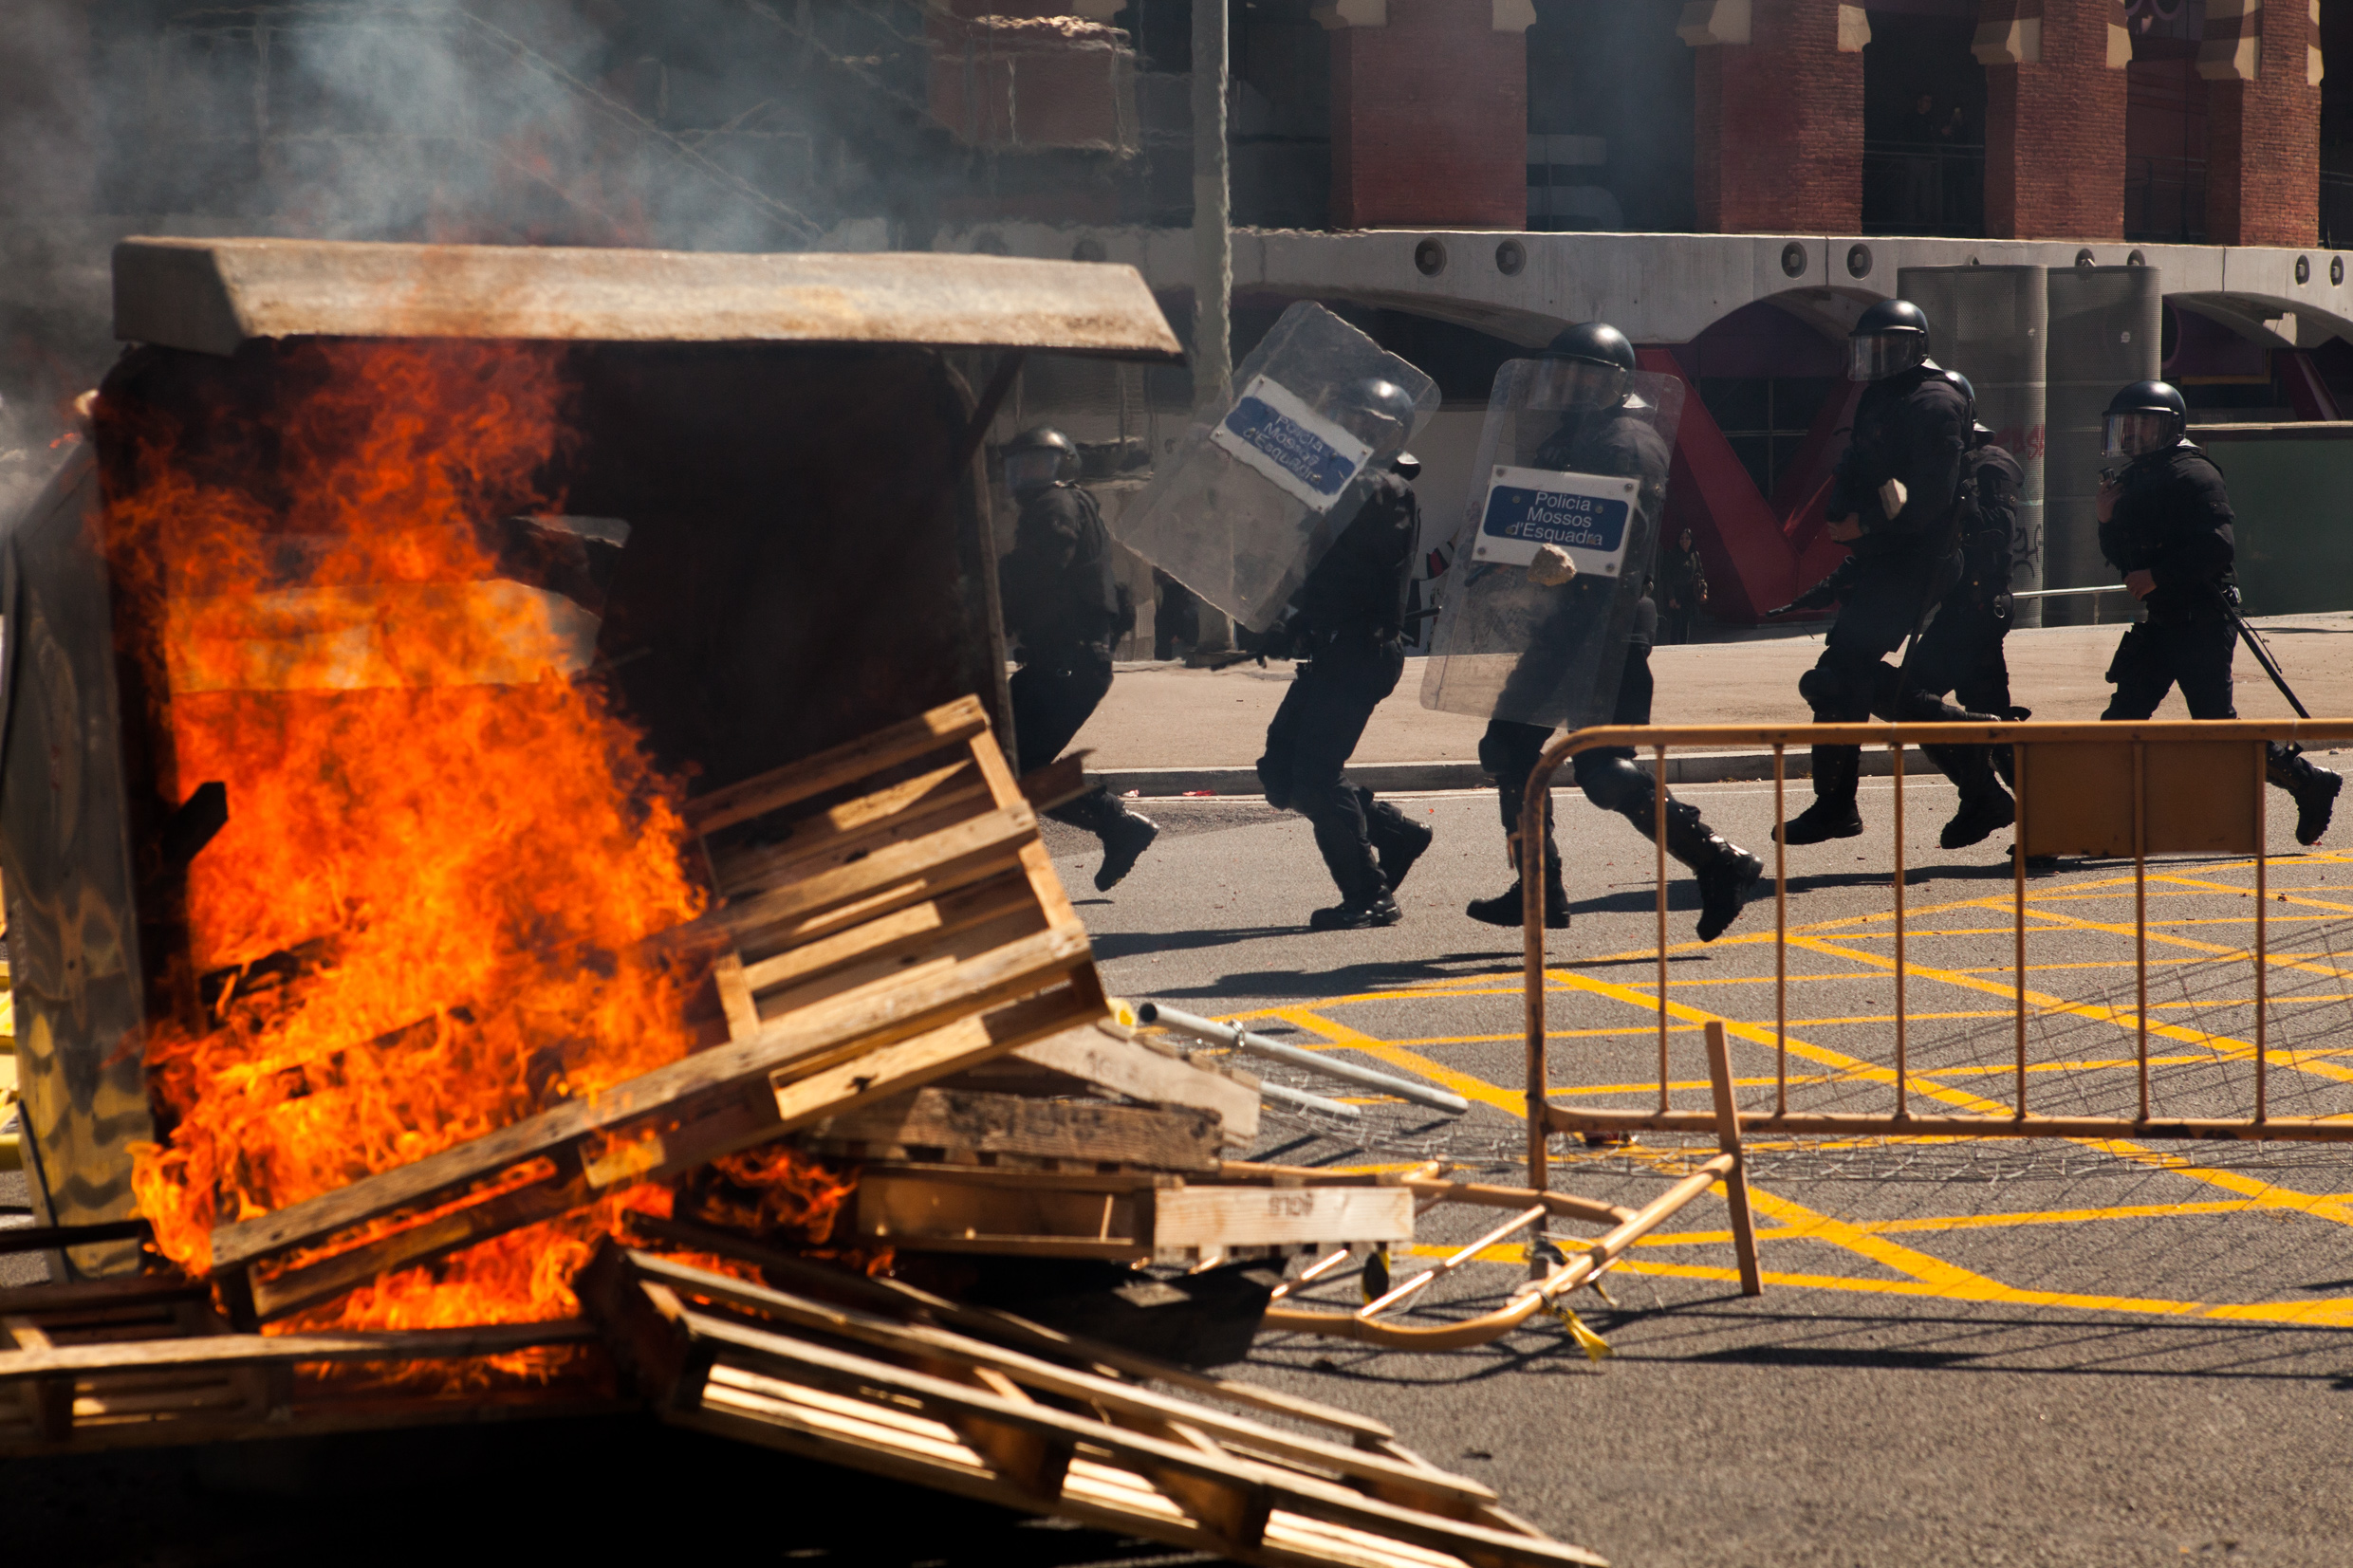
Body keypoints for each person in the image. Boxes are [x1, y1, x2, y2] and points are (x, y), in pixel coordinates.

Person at [1464, 323, 1764, 941]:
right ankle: (1538, 889)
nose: (1569, 386)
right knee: (1509, 749)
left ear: (1616, 383)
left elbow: (1622, 543)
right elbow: (1545, 519)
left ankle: (1720, 861)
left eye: (1584, 376)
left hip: (1609, 627)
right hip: (1563, 622)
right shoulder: (1575, 438)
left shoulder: (1625, 442)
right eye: (1562, 374)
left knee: (1605, 771)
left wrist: (1568, 561)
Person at [2095, 380, 2342, 843]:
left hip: (2201, 620)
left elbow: (2217, 547)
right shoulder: (2134, 479)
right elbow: (2124, 555)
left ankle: (2310, 782)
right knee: (2120, 722)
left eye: (2141, 427)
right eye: (2124, 428)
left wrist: (2159, 576)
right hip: (2161, 621)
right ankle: (2095, 819)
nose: (2130, 438)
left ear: (2169, 427)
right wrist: (2107, 520)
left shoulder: (2194, 474)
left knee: (2215, 728)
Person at [1778, 297, 1976, 847]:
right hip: (1886, 557)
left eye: (1892, 347)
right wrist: (1842, 513)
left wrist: (1863, 524)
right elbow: (1857, 466)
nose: (1880, 358)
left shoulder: (1933, 400)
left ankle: (1837, 806)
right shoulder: (1881, 397)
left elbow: (1927, 498)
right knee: (1850, 677)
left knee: (1838, 675)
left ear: (1917, 350)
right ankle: (1976, 765)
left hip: (1917, 559)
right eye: (1872, 349)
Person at [1254, 418, 1436, 931]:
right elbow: (1320, 568)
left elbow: (1349, 573)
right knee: (1281, 768)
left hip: (1361, 650)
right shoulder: (1347, 498)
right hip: (1334, 651)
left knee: (1314, 775)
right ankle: (1396, 835)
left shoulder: (1387, 492)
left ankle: (1370, 894)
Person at [995, 425, 1160, 889]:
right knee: (1000, 756)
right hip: (1065, 662)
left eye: (1037, 464)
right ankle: (1115, 828)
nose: (1025, 475)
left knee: (1013, 767)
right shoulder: (1073, 506)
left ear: (1063, 466)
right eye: (1018, 466)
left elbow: (1042, 566)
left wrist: (991, 591)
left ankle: (1116, 825)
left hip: (1067, 665)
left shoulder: (1055, 505)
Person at [1658, 527, 1708, 645]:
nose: (1684, 541)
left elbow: (1700, 574)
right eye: (1682, 538)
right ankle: (1674, 646)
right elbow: (1667, 578)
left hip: (1689, 593)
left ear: (1691, 541)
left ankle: (1684, 646)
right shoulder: (1672, 555)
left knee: (1686, 621)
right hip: (1676, 592)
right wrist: (1671, 597)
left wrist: (1703, 591)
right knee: (1677, 621)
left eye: (1687, 538)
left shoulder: (1694, 555)